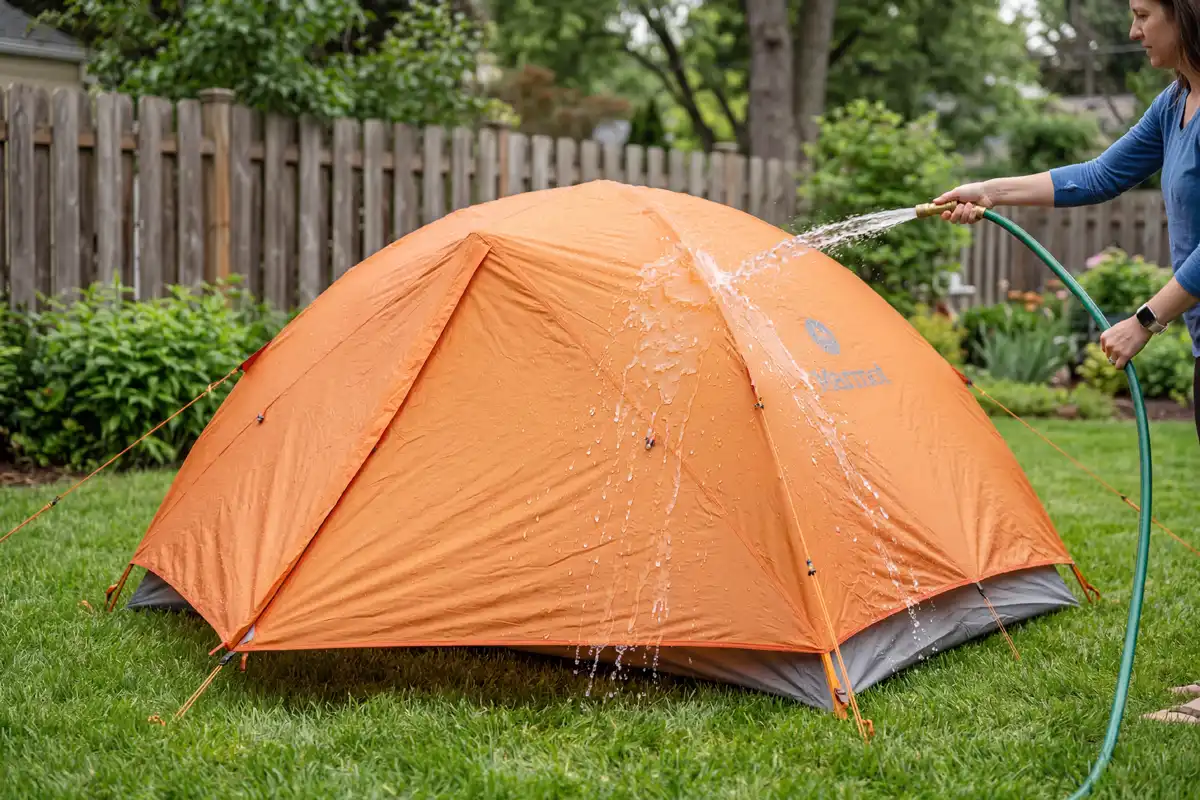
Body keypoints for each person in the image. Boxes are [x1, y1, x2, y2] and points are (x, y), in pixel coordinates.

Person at [934, 0, 1200, 726]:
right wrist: (991, 191)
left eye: (1145, 13)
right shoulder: (1175, 104)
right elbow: (1095, 175)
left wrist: (1147, 319)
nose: (1133, 30)